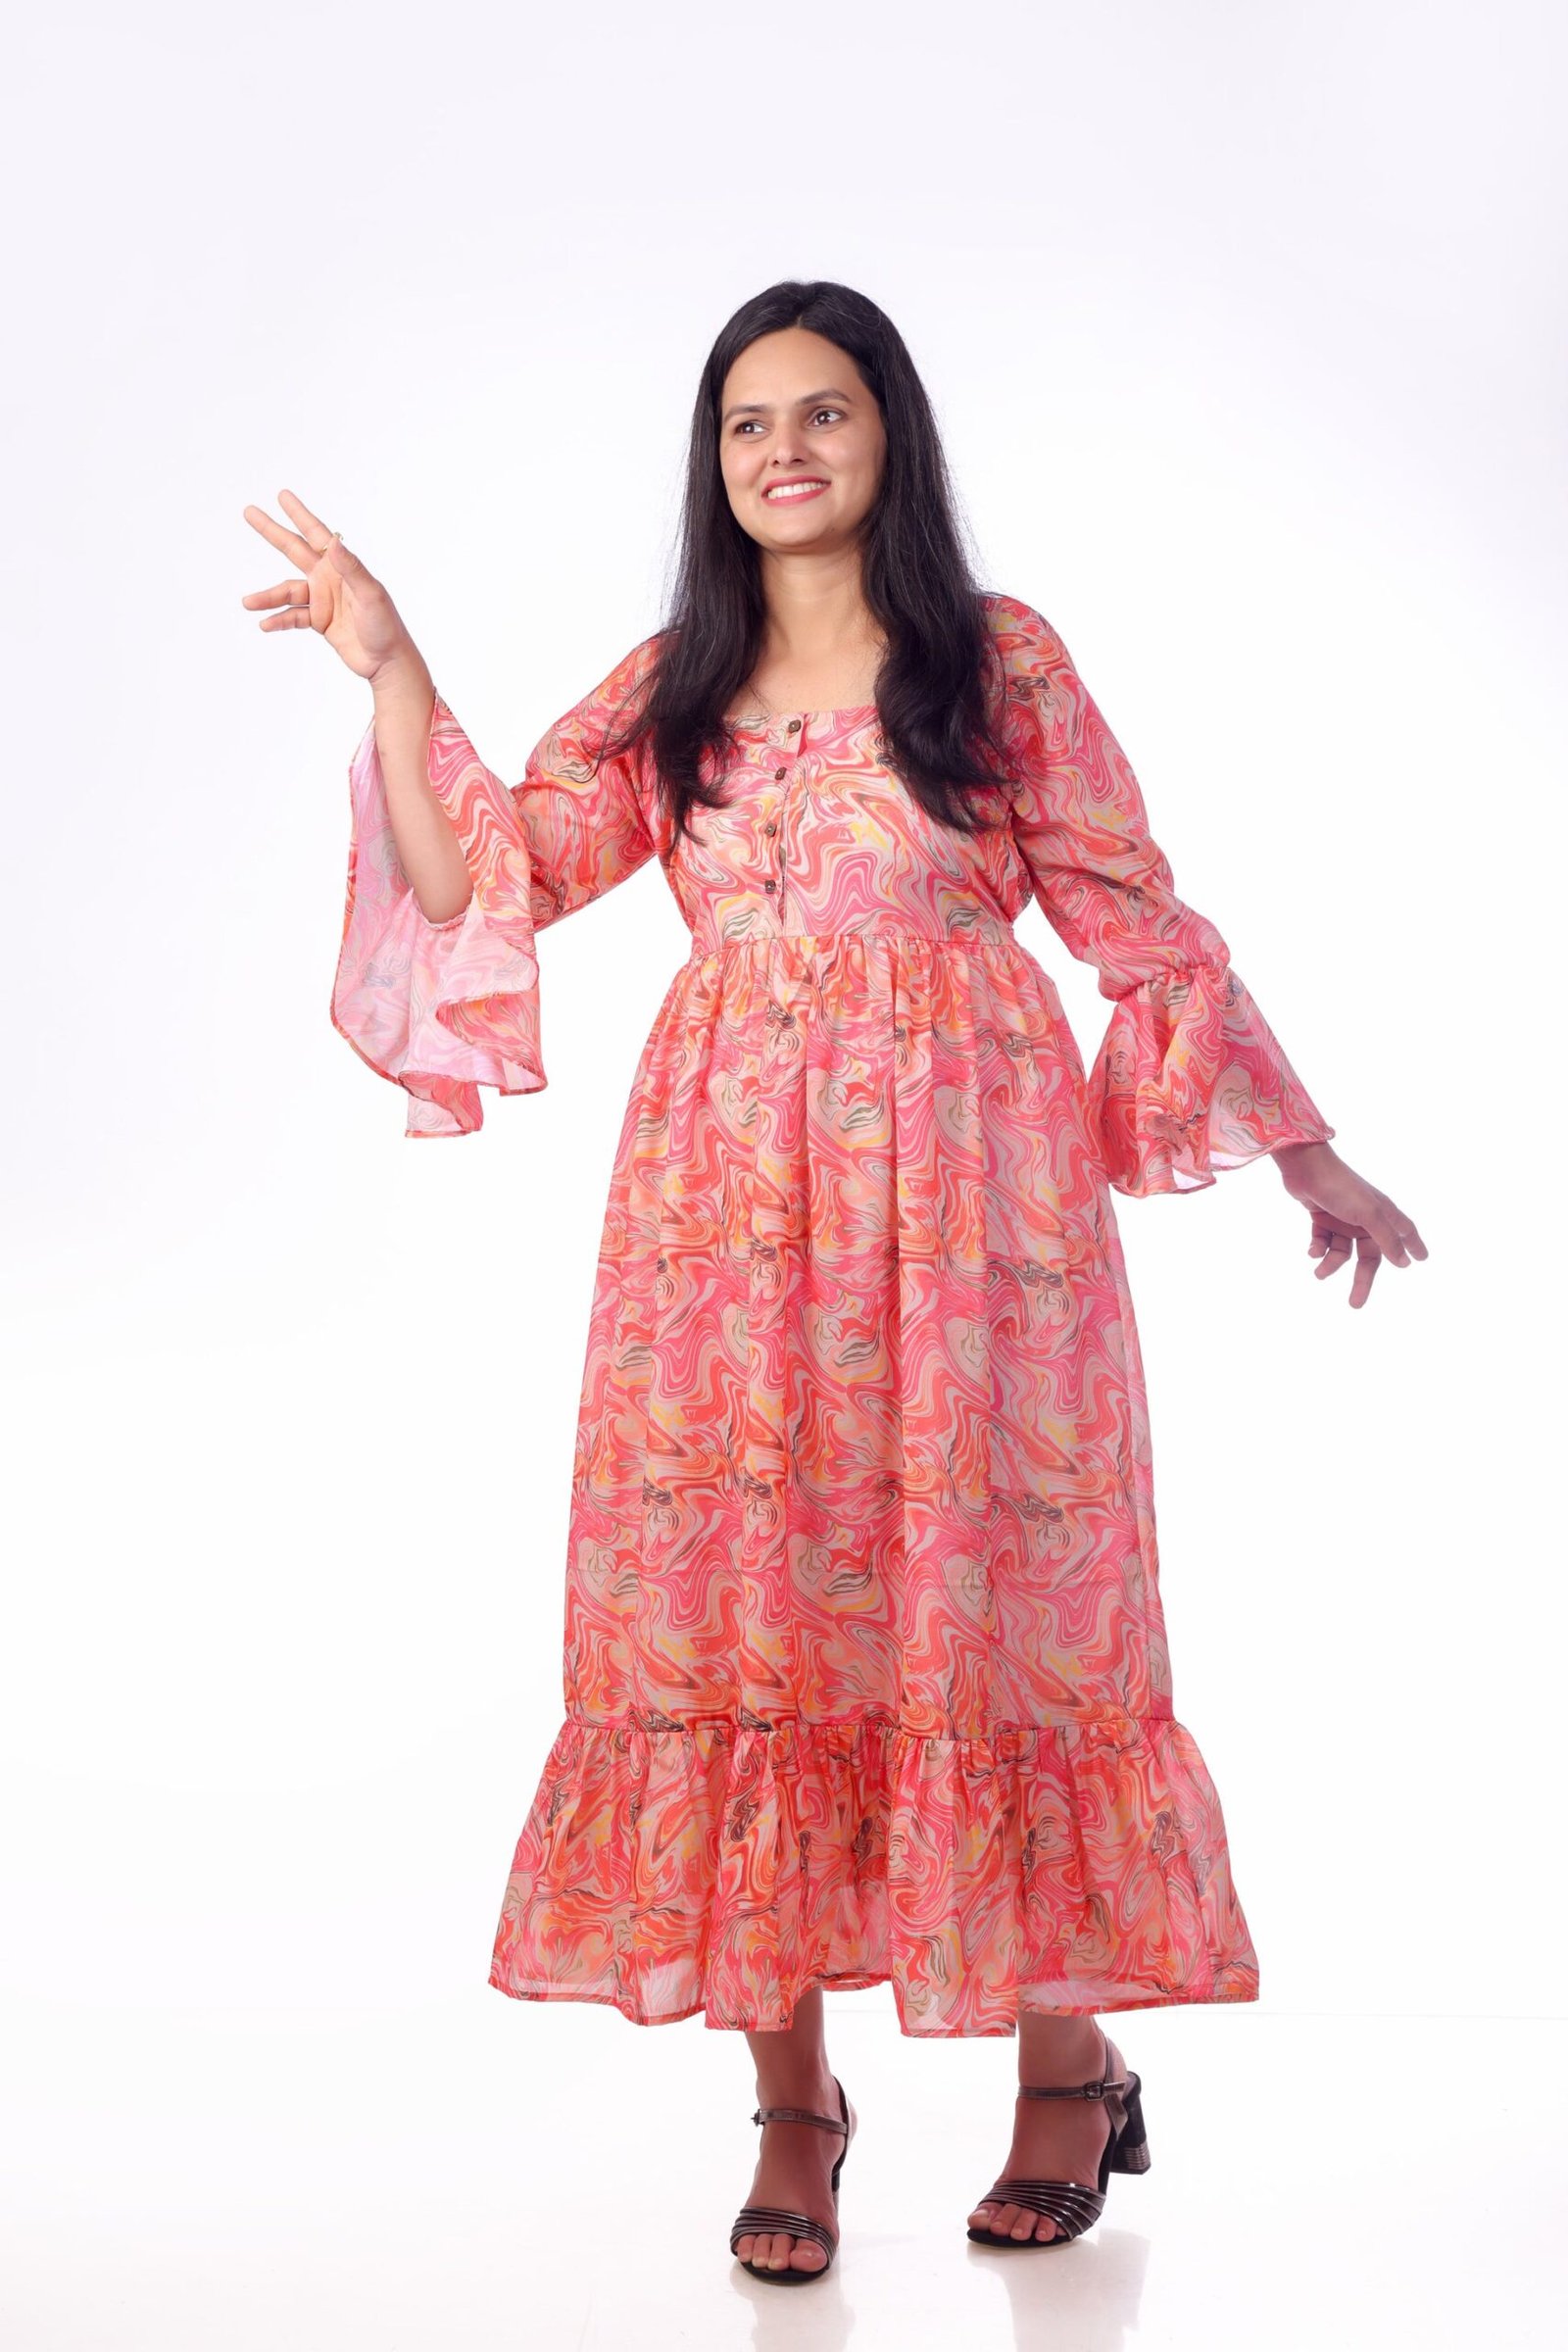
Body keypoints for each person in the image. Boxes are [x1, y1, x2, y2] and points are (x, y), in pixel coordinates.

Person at [240, 278, 1427, 2283]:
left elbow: (1132, 919)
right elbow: (480, 881)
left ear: (889, 437)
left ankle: (1069, 2073)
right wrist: (392, 662)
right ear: (714, 464)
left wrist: (1299, 1145)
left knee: (1002, 1617)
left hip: (977, 1215)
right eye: (745, 423)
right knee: (749, 1620)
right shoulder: (673, 689)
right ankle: (796, 2104)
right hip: (726, 1226)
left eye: (822, 413)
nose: (781, 449)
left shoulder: (995, 660)